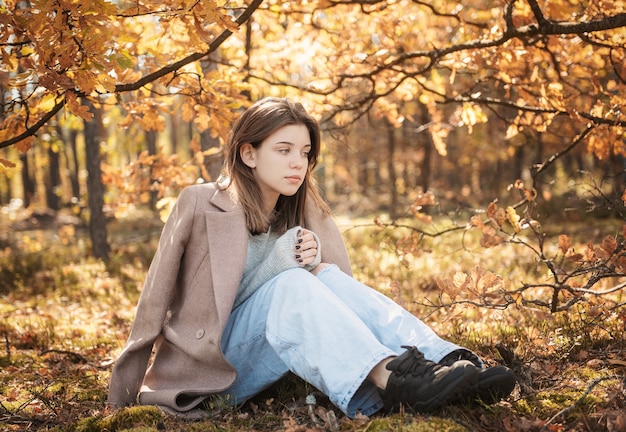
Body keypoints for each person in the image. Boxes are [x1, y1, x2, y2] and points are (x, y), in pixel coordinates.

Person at [107, 97, 516, 418]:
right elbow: (154, 300)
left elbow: (344, 294)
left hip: (268, 356)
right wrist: (124, 398)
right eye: (283, 150)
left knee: (326, 275)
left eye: (303, 152)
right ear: (249, 154)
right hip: (210, 365)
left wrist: (315, 261)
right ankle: (393, 380)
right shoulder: (200, 203)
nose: (297, 163)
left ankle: (443, 361)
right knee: (294, 281)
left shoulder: (302, 211)